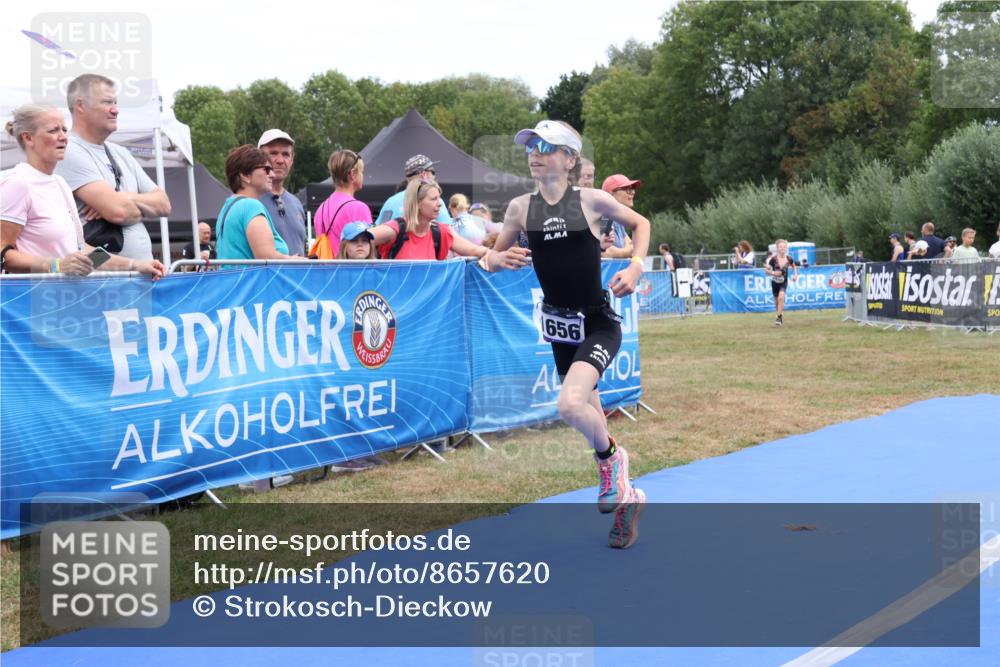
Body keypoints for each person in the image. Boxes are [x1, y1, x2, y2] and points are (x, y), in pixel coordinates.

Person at [484, 119, 651, 549]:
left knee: (570, 404)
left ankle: (613, 460)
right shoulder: (521, 209)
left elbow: (642, 224)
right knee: (586, 412)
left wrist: (635, 264)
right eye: (529, 147)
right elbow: (492, 256)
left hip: (597, 323)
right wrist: (494, 260)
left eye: (545, 146)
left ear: (570, 159)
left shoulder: (592, 202)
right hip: (560, 328)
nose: (534, 153)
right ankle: (628, 499)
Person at [1, 104, 164, 279]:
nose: (63, 137)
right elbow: (3, 255)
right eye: (53, 130)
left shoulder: (59, 183)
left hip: (71, 299)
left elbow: (83, 251)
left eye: (64, 129)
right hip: (34, 302)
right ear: (28, 138)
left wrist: (134, 264)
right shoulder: (18, 182)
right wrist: (57, 265)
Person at [54, 74, 171, 260]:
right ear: (80, 105)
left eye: (116, 103)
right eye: (107, 102)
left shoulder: (120, 152)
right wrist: (137, 205)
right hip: (101, 277)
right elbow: (119, 212)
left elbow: (164, 205)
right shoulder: (67, 151)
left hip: (137, 276)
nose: (116, 110)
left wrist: (123, 197)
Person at [368, 179, 489, 261]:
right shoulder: (395, 229)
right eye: (433, 199)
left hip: (430, 299)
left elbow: (473, 249)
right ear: (418, 203)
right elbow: (358, 239)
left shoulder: (441, 231)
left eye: (439, 199)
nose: (440, 204)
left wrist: (496, 255)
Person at [215, 145, 293, 261]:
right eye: (266, 169)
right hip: (254, 279)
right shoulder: (251, 206)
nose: (272, 174)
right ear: (245, 175)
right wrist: (297, 260)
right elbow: (266, 258)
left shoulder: (228, 207)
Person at [257, 129, 307, 256]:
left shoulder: (296, 203)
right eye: (273, 153)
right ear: (258, 157)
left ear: (292, 159)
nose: (280, 160)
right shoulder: (250, 201)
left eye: (286, 154)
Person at [314, 149, 372, 255]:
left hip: (327, 269)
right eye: (361, 172)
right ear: (352, 174)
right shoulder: (358, 207)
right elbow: (367, 249)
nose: (363, 176)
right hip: (350, 269)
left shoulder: (320, 209)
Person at [374, 154, 451, 225]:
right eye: (433, 172)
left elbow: (379, 227)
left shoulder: (390, 201)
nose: (435, 176)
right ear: (424, 175)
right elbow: (448, 230)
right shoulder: (434, 201)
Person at [599, 174, 638, 260]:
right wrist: (628, 251)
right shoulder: (602, 217)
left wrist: (624, 251)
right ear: (611, 194)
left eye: (632, 189)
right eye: (627, 189)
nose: (633, 192)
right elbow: (606, 252)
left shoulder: (616, 218)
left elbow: (631, 244)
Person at [765, 239, 798, 326]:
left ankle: (779, 318)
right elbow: (767, 272)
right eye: (780, 247)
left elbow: (794, 266)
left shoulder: (789, 258)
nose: (782, 248)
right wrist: (771, 272)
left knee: (781, 298)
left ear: (786, 248)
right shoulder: (773, 259)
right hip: (775, 282)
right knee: (776, 301)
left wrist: (795, 275)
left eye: (784, 247)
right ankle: (779, 315)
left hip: (784, 282)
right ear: (777, 248)